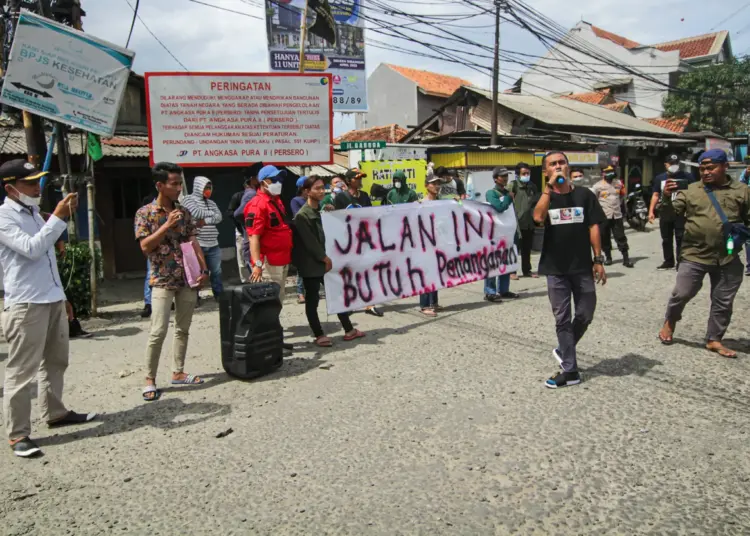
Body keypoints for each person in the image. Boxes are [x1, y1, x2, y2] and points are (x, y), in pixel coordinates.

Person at [0, 159, 96, 457]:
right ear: (11, 188)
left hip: (50, 298)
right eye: (29, 183)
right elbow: (31, 249)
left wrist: (62, 296)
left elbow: (49, 260)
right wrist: (57, 217)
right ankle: (18, 434)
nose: (36, 187)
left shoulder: (33, 213)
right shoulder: (4, 217)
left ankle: (55, 413)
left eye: (37, 181)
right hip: (26, 302)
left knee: (56, 361)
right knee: (21, 371)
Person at [658, 149, 750, 358]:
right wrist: (666, 198)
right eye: (702, 169)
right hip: (694, 255)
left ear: (725, 166)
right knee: (681, 294)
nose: (706, 172)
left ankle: (714, 339)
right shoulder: (690, 191)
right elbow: (669, 215)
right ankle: (670, 320)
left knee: (723, 301)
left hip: (727, 256)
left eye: (711, 168)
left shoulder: (742, 191)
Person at [135, 162, 209, 402]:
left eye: (180, 183)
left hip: (186, 278)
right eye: (174, 184)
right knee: (158, 330)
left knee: (183, 328)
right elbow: (145, 247)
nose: (179, 188)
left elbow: (192, 241)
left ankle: (178, 371)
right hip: (161, 280)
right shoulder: (145, 213)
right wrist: (167, 225)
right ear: (160, 185)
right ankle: (149, 379)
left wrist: (203, 268)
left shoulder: (184, 212)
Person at [533, 151, 607, 389]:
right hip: (555, 269)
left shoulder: (584, 195)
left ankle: (563, 349)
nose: (557, 167)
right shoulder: (545, 197)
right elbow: (537, 218)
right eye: (552, 165)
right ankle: (570, 370)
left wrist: (598, 259)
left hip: (582, 267)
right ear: (546, 171)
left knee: (586, 314)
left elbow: (594, 227)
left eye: (561, 163)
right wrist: (548, 189)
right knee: (562, 319)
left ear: (568, 166)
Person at [292, 176, 366, 346]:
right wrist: (324, 258)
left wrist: (330, 214)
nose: (321, 191)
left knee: (337, 295)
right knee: (312, 300)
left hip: (326, 262)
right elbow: (310, 242)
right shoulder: (302, 215)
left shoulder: (321, 211)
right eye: (316, 188)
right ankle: (319, 334)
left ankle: (349, 330)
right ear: (307, 191)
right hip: (312, 264)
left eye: (322, 188)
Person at [244, 165, 295, 352]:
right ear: (263, 182)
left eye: (279, 179)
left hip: (281, 259)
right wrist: (257, 265)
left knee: (277, 303)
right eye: (273, 180)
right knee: (267, 306)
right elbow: (253, 237)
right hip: (268, 262)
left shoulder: (276, 201)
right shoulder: (258, 204)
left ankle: (274, 340)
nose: (278, 183)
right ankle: (263, 344)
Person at [181, 176, 223, 300]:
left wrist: (204, 220)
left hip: (213, 244)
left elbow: (219, 217)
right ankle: (195, 296)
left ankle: (219, 295)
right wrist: (211, 214)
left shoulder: (211, 202)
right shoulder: (188, 199)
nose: (208, 190)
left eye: (210, 188)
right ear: (199, 187)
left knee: (216, 272)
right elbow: (195, 213)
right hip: (197, 243)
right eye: (206, 187)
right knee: (196, 271)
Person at [649, 154, 693, 271]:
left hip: (682, 212)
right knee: (666, 238)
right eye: (671, 164)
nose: (674, 166)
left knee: (681, 238)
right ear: (666, 165)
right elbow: (655, 195)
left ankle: (681, 261)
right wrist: (651, 211)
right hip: (665, 211)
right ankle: (668, 261)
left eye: (676, 163)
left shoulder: (687, 176)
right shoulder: (660, 178)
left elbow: (694, 193)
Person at [484, 167, 519, 302]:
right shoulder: (491, 193)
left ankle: (504, 289)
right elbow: (499, 208)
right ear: (495, 178)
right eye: (502, 176)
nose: (505, 178)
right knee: (493, 262)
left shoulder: (507, 192)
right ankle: (490, 291)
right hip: (495, 233)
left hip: (508, 233)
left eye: (506, 176)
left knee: (506, 261)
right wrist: (509, 199)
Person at [591, 166, 633, 268]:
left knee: (621, 236)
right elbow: (594, 200)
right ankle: (608, 257)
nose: (610, 174)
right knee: (605, 237)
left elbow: (622, 196)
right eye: (607, 172)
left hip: (617, 215)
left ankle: (626, 259)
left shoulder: (618, 183)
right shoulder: (597, 186)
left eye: (611, 171)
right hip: (604, 216)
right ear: (603, 174)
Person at [231, 162, 263, 283]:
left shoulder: (254, 193)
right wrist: (248, 225)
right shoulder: (251, 194)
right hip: (251, 243)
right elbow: (237, 213)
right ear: (253, 179)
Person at [418, 172, 443, 316]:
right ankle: (424, 304)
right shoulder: (422, 203)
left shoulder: (442, 202)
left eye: (438, 183)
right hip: (425, 243)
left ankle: (434, 302)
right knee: (426, 273)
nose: (437, 186)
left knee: (435, 272)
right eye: (433, 184)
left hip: (438, 242)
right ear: (426, 186)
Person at [510, 162, 540, 278]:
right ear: (518, 174)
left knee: (527, 249)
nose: (527, 175)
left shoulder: (532, 186)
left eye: (528, 173)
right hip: (516, 223)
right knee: (514, 249)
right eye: (524, 173)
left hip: (529, 223)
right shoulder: (513, 185)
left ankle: (527, 270)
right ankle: (512, 271)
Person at [140, 192, 157, 317]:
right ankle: (149, 303)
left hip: (164, 251)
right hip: (152, 251)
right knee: (150, 276)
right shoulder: (143, 217)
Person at [291, 176, 308, 303]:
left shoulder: (316, 200)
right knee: (302, 266)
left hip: (315, 236)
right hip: (302, 236)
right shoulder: (296, 201)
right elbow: (299, 216)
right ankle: (300, 292)